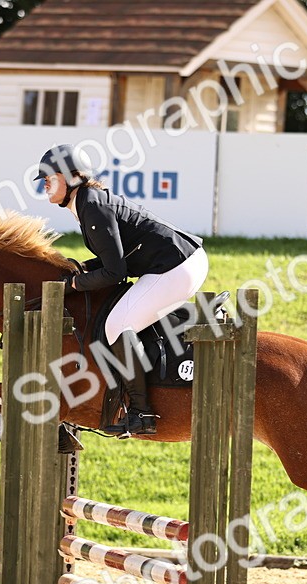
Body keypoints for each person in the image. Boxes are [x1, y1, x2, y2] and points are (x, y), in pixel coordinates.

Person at [34, 144, 208, 437]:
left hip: (177, 266)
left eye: (50, 178)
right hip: (174, 263)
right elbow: (112, 260)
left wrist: (74, 284)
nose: (45, 184)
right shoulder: (87, 202)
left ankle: (143, 412)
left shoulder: (91, 205)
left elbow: (115, 273)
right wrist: (82, 270)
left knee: (117, 325)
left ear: (71, 177)